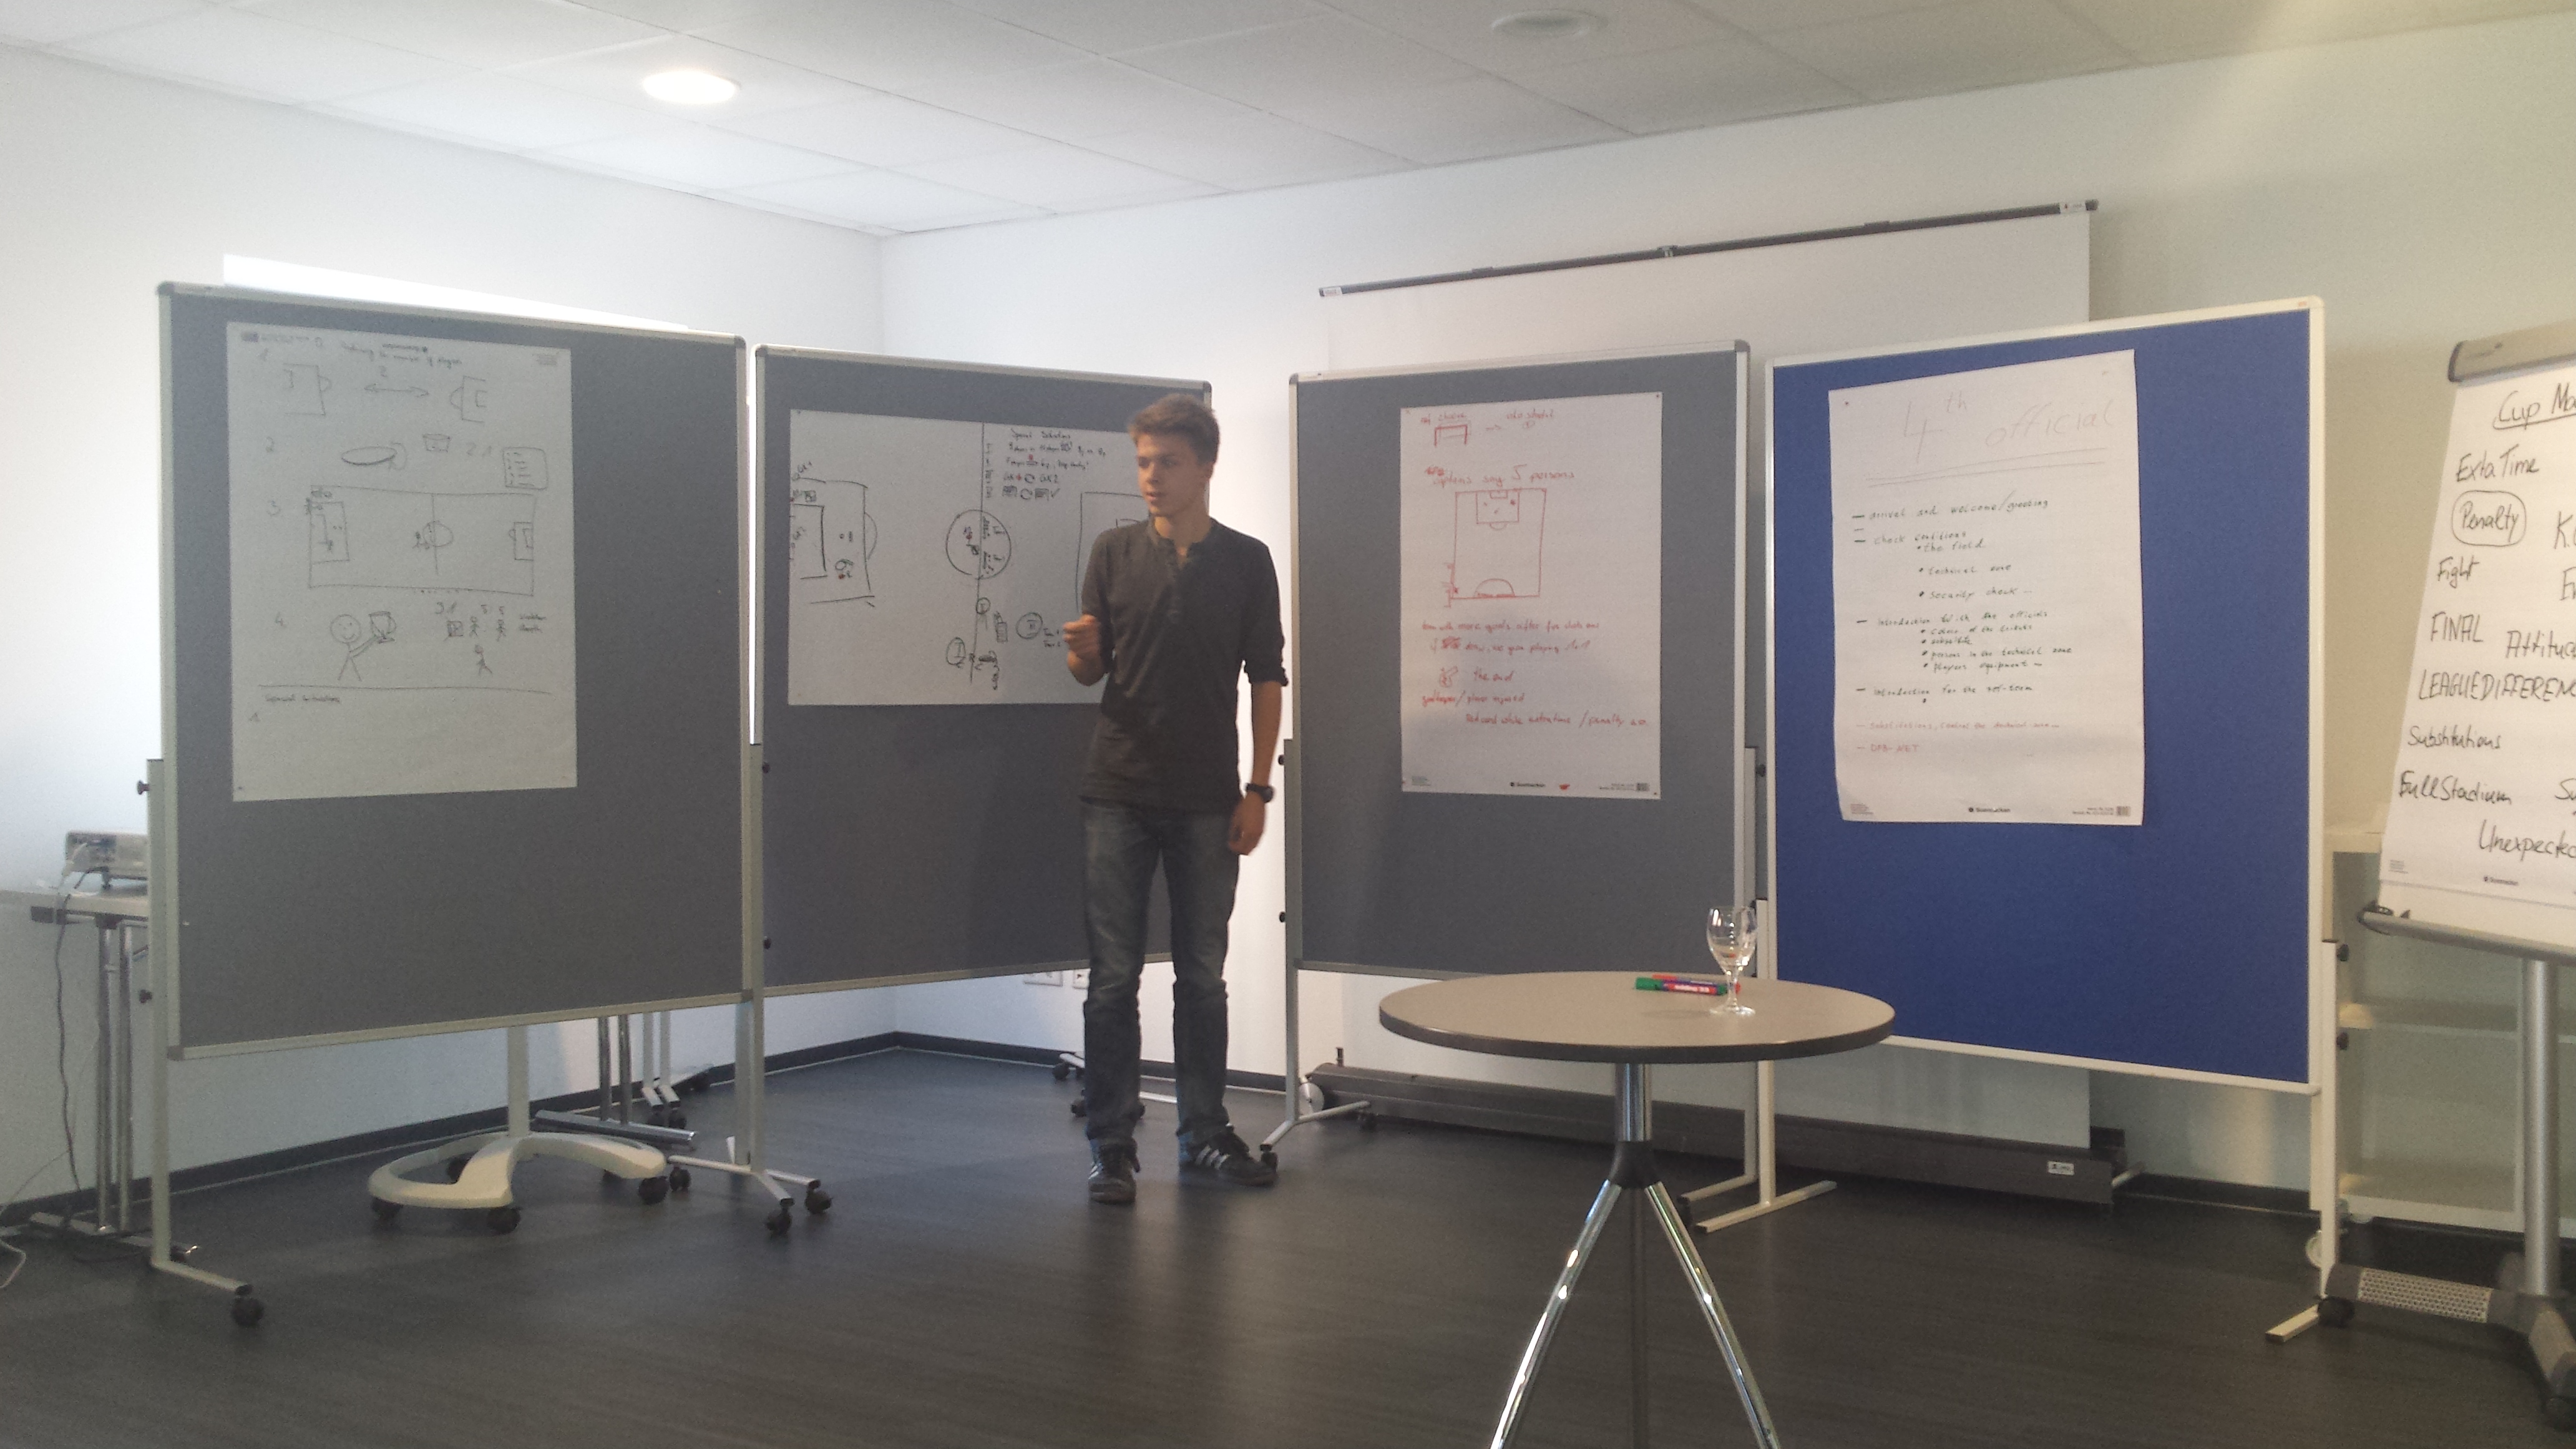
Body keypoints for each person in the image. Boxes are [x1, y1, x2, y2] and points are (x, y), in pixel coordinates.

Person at [1061, 394, 1284, 1206]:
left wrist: (1258, 788)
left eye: (1168, 462)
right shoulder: (1113, 552)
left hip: (1206, 795)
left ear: (1206, 466)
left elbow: (1267, 679)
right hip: (1117, 789)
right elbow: (1091, 673)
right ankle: (1112, 1146)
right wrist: (1083, 655)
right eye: (1143, 462)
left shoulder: (1248, 561)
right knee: (1112, 978)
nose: (1151, 477)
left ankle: (1204, 1133)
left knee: (1202, 976)